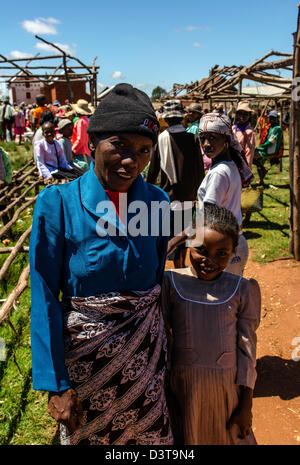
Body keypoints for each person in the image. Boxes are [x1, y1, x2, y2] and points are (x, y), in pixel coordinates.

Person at [30, 83, 174, 445]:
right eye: (120, 146)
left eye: (143, 150)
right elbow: (44, 292)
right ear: (92, 143)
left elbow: (155, 284)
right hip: (86, 372)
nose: (132, 161)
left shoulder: (156, 201)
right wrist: (57, 383)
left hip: (146, 366)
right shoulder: (58, 203)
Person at [161, 203, 261, 445]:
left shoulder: (241, 289)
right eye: (201, 249)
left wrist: (246, 404)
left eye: (221, 253)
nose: (209, 260)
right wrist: (179, 238)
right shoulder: (171, 283)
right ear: (188, 244)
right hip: (184, 388)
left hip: (226, 391)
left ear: (233, 251)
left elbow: (247, 351)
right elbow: (163, 336)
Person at [168, 112, 253, 276]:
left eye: (213, 138)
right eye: (203, 138)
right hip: (232, 243)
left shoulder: (218, 174)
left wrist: (173, 242)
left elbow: (205, 218)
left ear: (226, 140)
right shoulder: (229, 166)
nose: (206, 144)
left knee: (219, 297)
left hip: (222, 248)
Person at [147, 100, 205, 268]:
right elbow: (199, 169)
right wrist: (198, 192)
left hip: (167, 196)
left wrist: (149, 189)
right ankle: (181, 264)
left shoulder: (161, 140)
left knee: (167, 234)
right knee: (184, 232)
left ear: (166, 119)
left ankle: (166, 268)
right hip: (187, 196)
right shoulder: (192, 138)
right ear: (182, 118)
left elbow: (153, 171)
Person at [253, 110, 283, 185]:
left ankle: (262, 169)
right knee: (258, 163)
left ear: (277, 119)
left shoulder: (277, 128)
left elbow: (270, 141)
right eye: (270, 118)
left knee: (250, 156)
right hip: (266, 149)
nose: (271, 119)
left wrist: (260, 147)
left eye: (273, 118)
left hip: (270, 151)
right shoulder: (269, 127)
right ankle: (261, 180)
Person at [232, 102, 256, 168]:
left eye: (245, 114)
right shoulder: (233, 128)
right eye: (240, 113)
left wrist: (246, 170)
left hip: (240, 165)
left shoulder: (249, 132)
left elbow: (249, 153)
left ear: (249, 116)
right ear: (237, 114)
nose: (242, 116)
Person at [71, 99, 93, 172]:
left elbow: (80, 139)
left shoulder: (80, 122)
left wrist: (73, 150)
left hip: (81, 151)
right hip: (87, 150)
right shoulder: (87, 120)